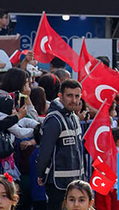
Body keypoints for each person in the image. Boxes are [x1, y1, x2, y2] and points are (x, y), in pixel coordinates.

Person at [36, 79, 86, 210]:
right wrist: (41, 174)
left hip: (75, 183)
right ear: (60, 96)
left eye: (77, 96)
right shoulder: (54, 120)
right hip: (57, 184)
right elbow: (45, 151)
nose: (74, 100)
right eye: (69, 96)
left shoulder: (74, 117)